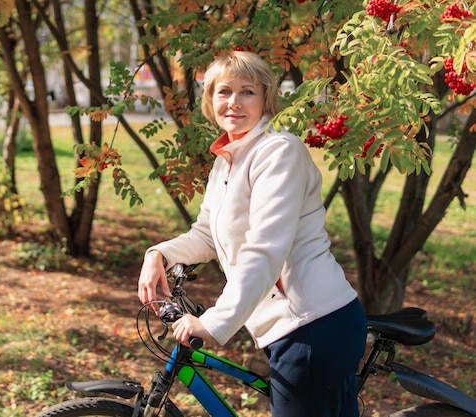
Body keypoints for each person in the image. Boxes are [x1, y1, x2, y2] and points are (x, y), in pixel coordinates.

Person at [137, 50, 367, 417]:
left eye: (247, 91)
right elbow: (207, 235)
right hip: (292, 328)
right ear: (210, 101)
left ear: (265, 99)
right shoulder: (228, 157)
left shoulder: (278, 153)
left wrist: (214, 322)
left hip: (313, 325)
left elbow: (264, 249)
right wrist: (159, 253)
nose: (234, 102)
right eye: (224, 91)